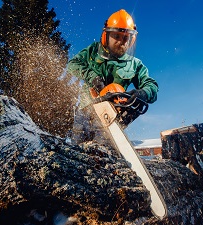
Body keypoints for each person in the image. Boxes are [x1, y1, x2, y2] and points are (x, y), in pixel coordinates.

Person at [67, 9, 158, 145]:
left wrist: (144, 93)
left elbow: (151, 85)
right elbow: (72, 65)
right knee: (76, 150)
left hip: (112, 115)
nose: (121, 41)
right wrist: (92, 76)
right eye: (116, 36)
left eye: (125, 38)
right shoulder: (93, 51)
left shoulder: (134, 64)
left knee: (101, 154)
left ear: (131, 40)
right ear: (106, 35)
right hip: (86, 110)